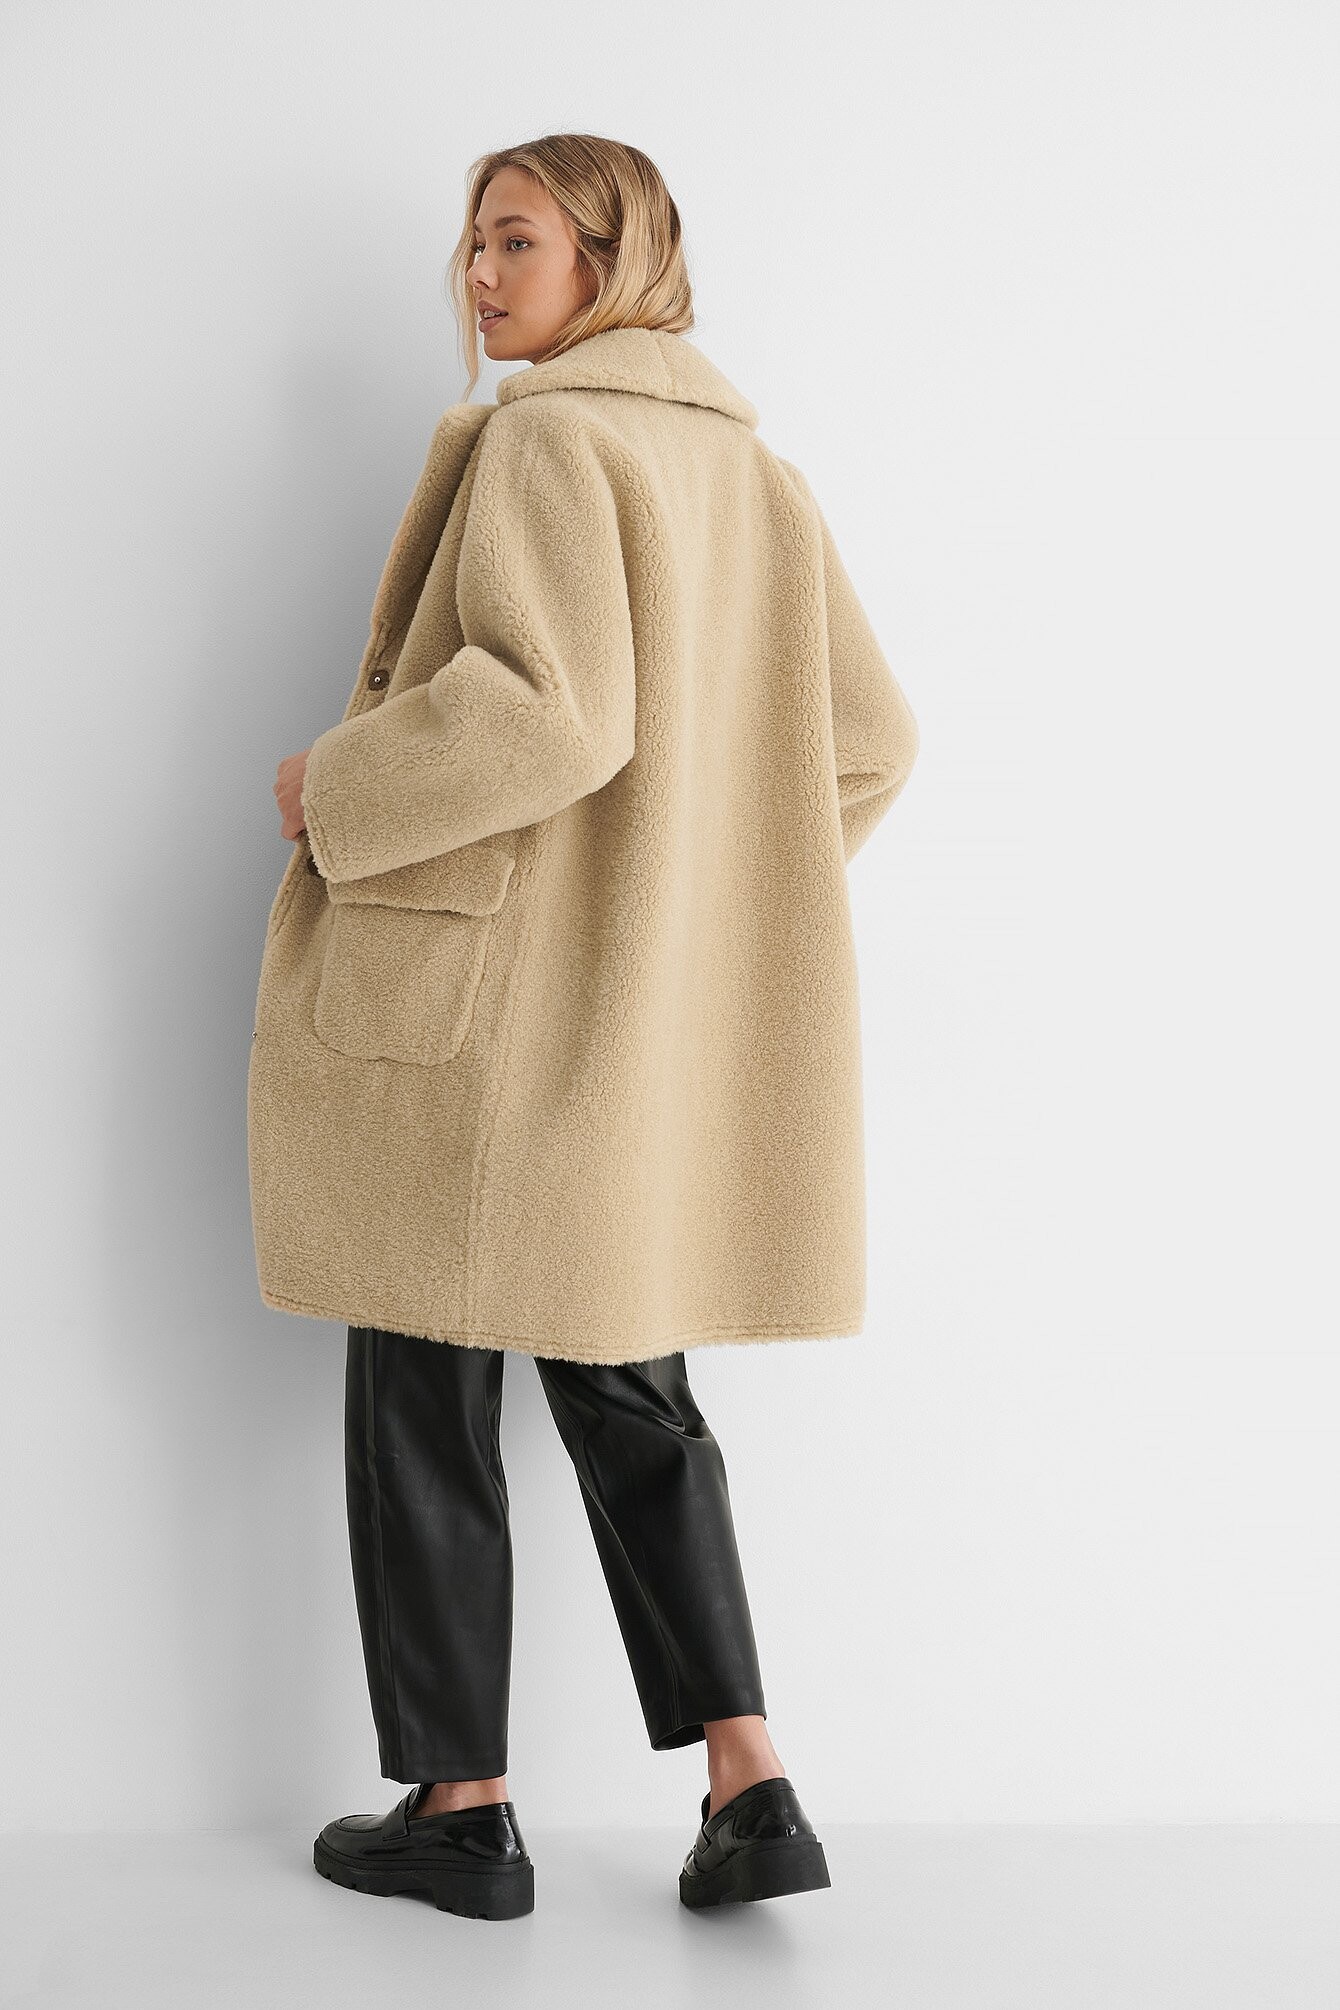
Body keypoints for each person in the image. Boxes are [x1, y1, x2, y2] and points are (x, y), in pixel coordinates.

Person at [248, 132, 919, 1922]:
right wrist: (703, 912)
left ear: (609, 259)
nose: (479, 275)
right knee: (629, 1378)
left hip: (491, 1018)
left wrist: (338, 786)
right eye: (472, 243)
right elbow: (869, 747)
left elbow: (549, 710)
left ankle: (460, 1804)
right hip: (629, 1038)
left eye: (518, 240)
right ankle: (750, 1780)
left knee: (420, 1363)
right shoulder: (749, 475)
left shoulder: (548, 442)